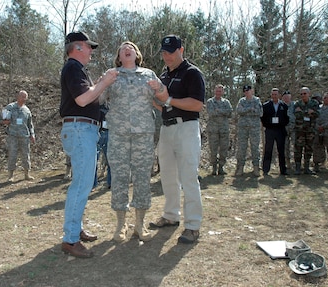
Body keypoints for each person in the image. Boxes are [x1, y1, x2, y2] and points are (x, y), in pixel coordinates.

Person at [59, 31, 117, 258]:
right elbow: (82, 99)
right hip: (80, 129)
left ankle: (76, 229)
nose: (92, 50)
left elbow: (91, 98)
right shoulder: (73, 67)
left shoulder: (77, 69)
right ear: (78, 47)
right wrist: (104, 81)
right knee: (82, 185)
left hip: (83, 129)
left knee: (82, 183)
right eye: (89, 46)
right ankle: (70, 239)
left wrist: (103, 85)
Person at [100, 41, 160, 243]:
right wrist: (103, 83)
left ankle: (140, 224)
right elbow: (97, 100)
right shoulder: (112, 75)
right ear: (119, 56)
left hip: (143, 135)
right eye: (123, 48)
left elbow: (161, 101)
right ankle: (120, 225)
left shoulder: (149, 74)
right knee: (119, 178)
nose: (127, 49)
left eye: (131, 48)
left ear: (137, 54)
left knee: (143, 178)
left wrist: (160, 89)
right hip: (118, 135)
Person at [148, 35, 205, 244]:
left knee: (189, 177)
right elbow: (164, 105)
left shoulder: (192, 73)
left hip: (187, 128)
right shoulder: (163, 75)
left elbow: (197, 104)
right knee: (168, 176)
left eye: (170, 52)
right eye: (163, 52)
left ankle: (193, 225)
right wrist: (155, 100)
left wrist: (169, 99)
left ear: (181, 50)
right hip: (166, 129)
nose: (166, 56)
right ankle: (171, 216)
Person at [0, 90, 36, 182]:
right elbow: (0, 118)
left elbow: (30, 124)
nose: (24, 99)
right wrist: (4, 121)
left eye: (25, 97)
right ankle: (10, 175)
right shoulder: (10, 107)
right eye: (22, 96)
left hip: (24, 136)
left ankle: (27, 174)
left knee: (26, 155)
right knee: (12, 155)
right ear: (18, 97)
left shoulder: (27, 110)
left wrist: (32, 134)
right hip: (13, 135)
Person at [235, 85, 263, 177]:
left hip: (254, 128)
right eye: (245, 91)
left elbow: (260, 112)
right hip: (243, 128)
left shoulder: (257, 100)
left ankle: (256, 168)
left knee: (255, 147)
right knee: (242, 148)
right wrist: (250, 109)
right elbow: (239, 111)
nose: (246, 92)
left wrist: (245, 111)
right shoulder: (241, 101)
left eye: (248, 90)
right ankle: (240, 168)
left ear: (252, 91)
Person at [260, 88, 290, 175]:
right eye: (272, 94)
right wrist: (268, 125)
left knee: (281, 150)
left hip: (280, 131)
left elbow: (287, 118)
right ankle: (265, 170)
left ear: (279, 95)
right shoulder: (265, 105)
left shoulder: (284, 105)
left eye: (276, 94)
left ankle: (283, 170)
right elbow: (262, 118)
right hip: (270, 130)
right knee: (268, 150)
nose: (274, 96)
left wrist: (281, 123)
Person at [206, 84, 233, 175]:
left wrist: (218, 110)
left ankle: (221, 167)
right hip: (213, 130)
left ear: (223, 92)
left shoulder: (226, 102)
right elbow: (211, 113)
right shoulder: (210, 101)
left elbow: (230, 113)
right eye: (217, 91)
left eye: (220, 91)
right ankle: (214, 168)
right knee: (213, 149)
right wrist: (222, 112)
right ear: (214, 91)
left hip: (224, 129)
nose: (218, 92)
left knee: (224, 149)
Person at [293, 87, 320, 175]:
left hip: (310, 130)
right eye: (301, 94)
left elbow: (318, 114)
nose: (303, 95)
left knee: (309, 149)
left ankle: (307, 168)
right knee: (298, 149)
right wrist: (309, 112)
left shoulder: (314, 103)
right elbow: (296, 114)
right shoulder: (297, 103)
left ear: (309, 94)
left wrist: (304, 112)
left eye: (304, 93)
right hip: (299, 130)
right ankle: (297, 168)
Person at [93, 103, 111, 189]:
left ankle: (110, 183)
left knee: (111, 161)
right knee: (93, 161)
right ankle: (93, 183)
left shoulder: (114, 105)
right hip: (97, 133)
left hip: (109, 133)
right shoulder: (95, 105)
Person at [282, 91, 295, 170]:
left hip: (294, 127)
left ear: (290, 97)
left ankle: (297, 163)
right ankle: (288, 163)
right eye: (285, 97)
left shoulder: (295, 105)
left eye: (288, 96)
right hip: (284, 128)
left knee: (296, 145)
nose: (286, 98)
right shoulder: (280, 105)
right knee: (285, 146)